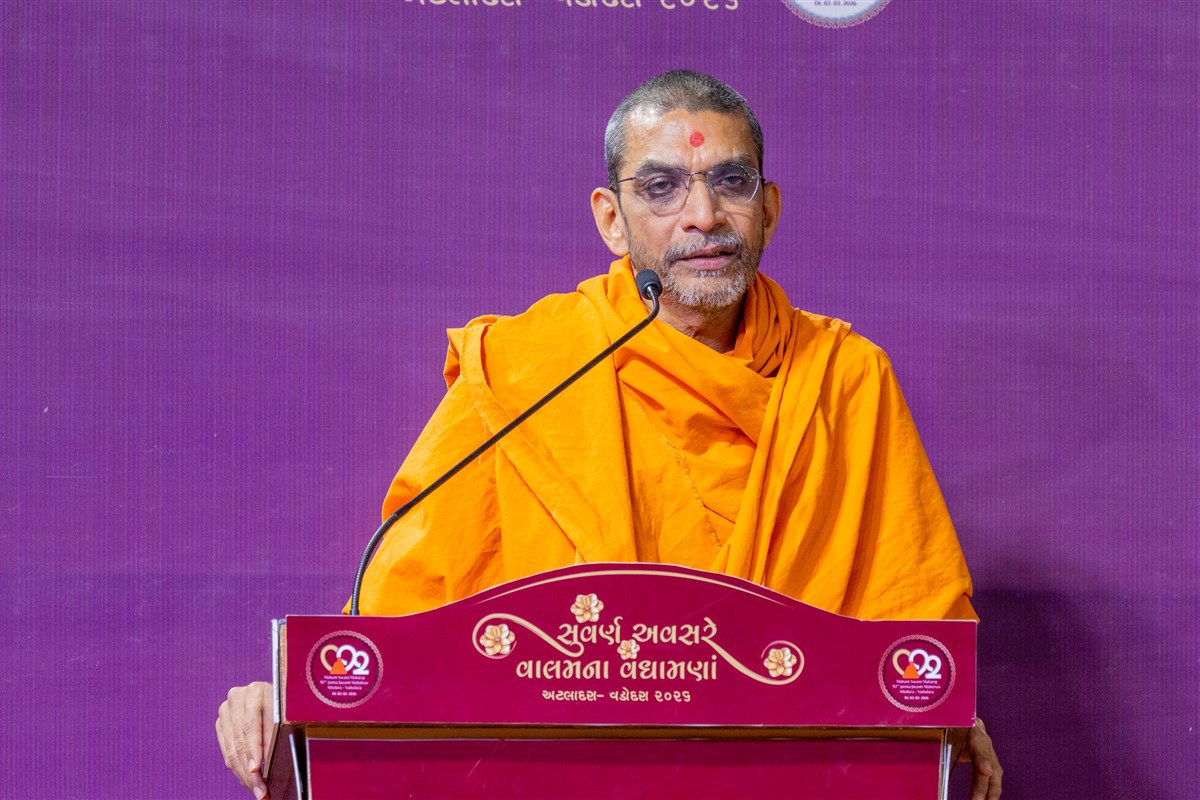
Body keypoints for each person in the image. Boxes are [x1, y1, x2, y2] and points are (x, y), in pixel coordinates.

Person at [217, 70, 1002, 799]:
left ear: (768, 208)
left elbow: (912, 608)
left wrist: (940, 711)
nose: (703, 215)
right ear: (611, 220)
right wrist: (294, 698)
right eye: (661, 188)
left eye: (731, 181)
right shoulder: (532, 368)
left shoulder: (844, 378)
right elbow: (403, 612)